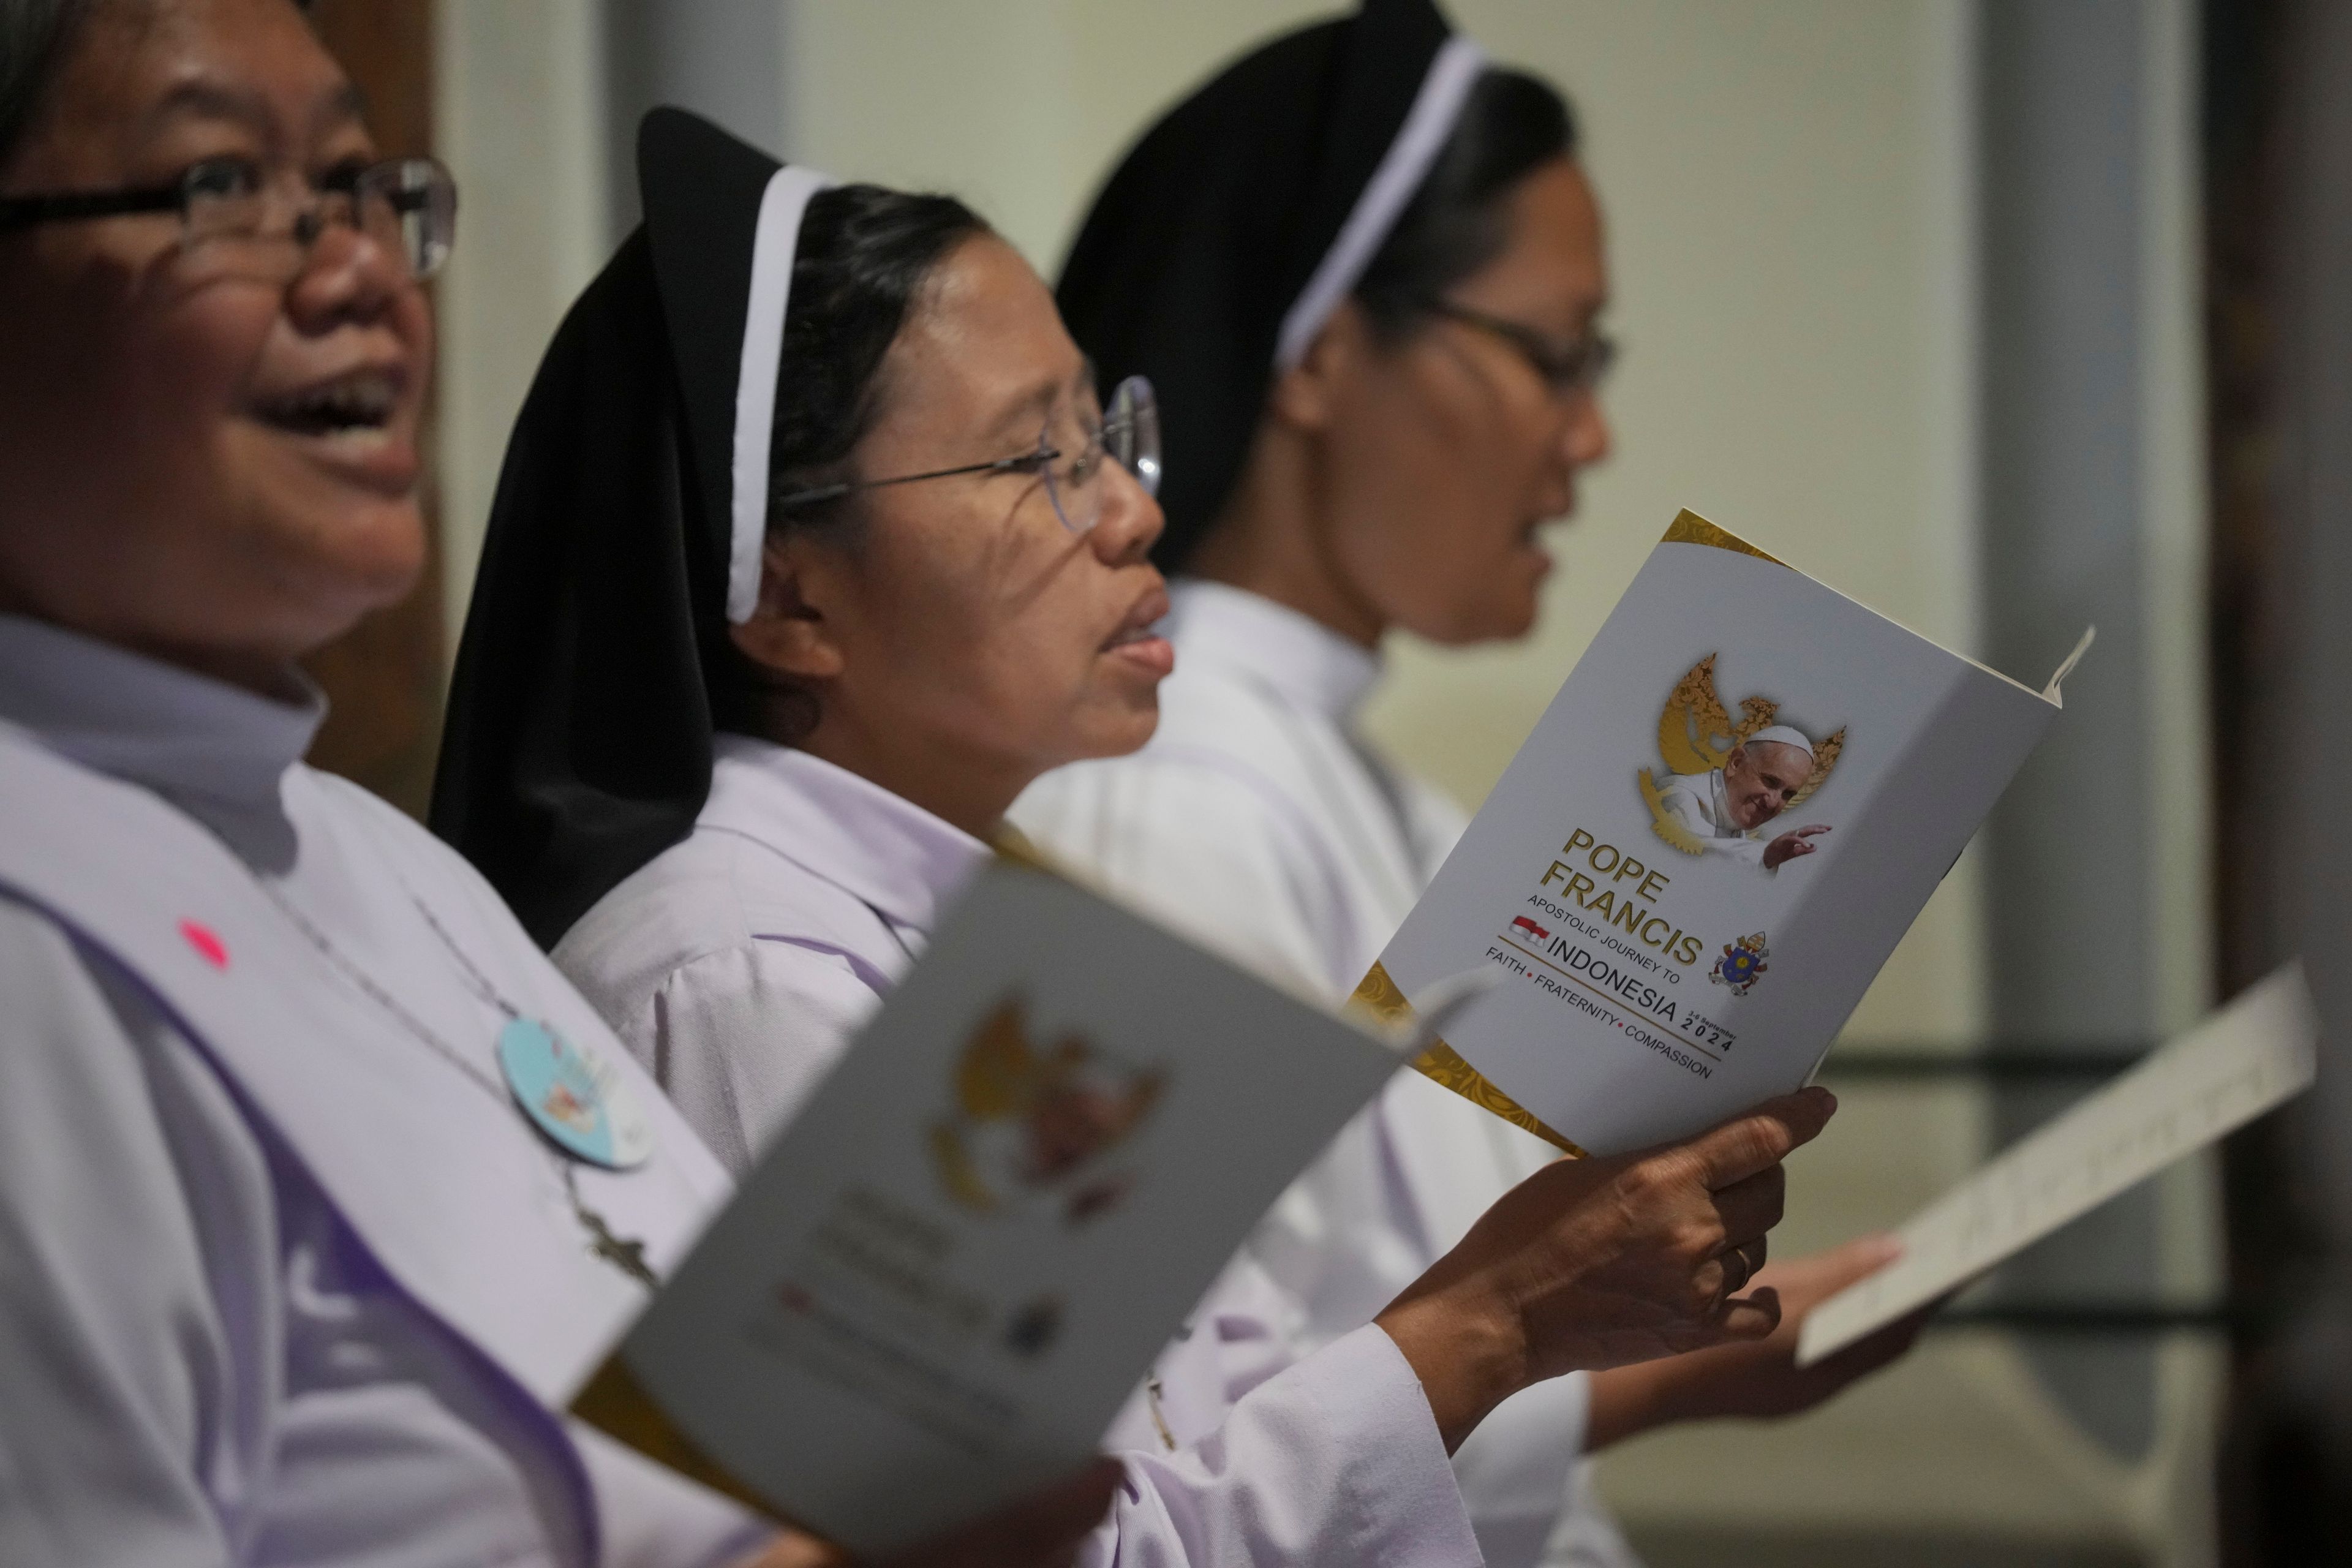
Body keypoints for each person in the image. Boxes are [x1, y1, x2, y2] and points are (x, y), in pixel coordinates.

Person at [431, 97, 1839, 1567]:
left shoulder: (960, 914)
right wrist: (1485, 1322)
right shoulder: (742, 967)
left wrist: (1516, 1314)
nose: (1126, 511)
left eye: (1105, 434)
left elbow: (1199, 1425)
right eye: (1031, 462)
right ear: (789, 596)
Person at [0, 2, 1133, 1563]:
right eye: (219, 190)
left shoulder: (398, 873)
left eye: (359, 188)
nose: (359, 272)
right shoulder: (31, 948)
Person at [1011, 2, 1910, 1561]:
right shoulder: (1169, 795)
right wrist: (1675, 1373)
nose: (1589, 432)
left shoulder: (1366, 790)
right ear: (1322, 350)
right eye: (1550, 356)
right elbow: (1186, 1455)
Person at [1649, 729, 1832, 871]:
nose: (1773, 802)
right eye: (1770, 781)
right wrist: (1764, 855)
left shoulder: (1736, 829)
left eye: (1787, 795)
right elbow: (1690, 848)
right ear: (1735, 763)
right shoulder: (1677, 795)